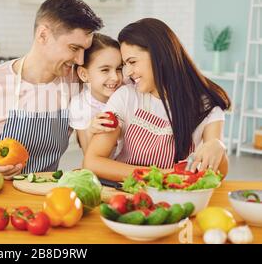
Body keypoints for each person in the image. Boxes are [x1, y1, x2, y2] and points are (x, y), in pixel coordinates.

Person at [0, 0, 103, 179]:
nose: (80, 59)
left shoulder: (76, 81)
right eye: (74, 48)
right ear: (43, 35)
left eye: (85, 49)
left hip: (36, 191)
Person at [84, 18, 230, 181]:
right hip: (125, 192)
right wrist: (161, 175)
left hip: (174, 197)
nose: (128, 72)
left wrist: (218, 147)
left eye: (132, 62)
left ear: (159, 55)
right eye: (126, 64)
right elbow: (93, 162)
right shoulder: (126, 96)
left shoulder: (205, 105)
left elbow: (217, 174)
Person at [69, 33, 124, 155]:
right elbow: (90, 159)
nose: (115, 77)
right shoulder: (80, 105)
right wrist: (91, 131)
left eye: (119, 69)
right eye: (105, 70)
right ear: (84, 74)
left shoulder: (127, 92)